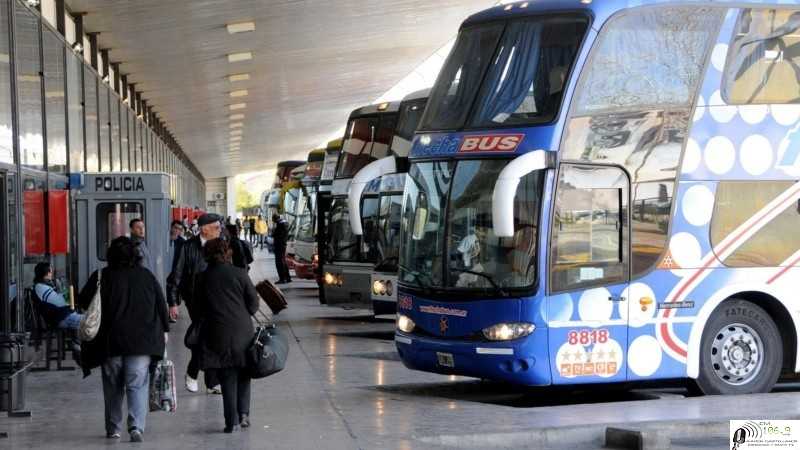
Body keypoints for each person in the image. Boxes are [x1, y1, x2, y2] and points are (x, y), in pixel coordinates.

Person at [77, 236, 169, 443]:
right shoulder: (146, 276)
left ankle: (113, 428)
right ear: (136, 255)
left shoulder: (101, 276)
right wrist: (164, 330)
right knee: (137, 384)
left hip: (111, 342)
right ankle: (136, 426)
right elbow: (161, 305)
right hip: (141, 342)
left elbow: (83, 301)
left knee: (113, 386)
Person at [195, 238, 260, 433]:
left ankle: (230, 421)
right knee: (244, 373)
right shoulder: (240, 274)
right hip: (242, 331)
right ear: (227, 253)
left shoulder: (202, 278)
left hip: (217, 332)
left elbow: (197, 308)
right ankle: (244, 414)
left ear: (207, 255)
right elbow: (253, 305)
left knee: (227, 376)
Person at [167, 213, 222, 394]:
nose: (219, 230)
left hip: (218, 298)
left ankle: (209, 381)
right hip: (195, 299)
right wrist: (173, 302)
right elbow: (176, 275)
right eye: (216, 227)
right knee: (205, 335)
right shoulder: (187, 247)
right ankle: (196, 374)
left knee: (211, 337)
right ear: (204, 229)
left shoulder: (222, 243)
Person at [33, 262, 83, 331]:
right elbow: (62, 303)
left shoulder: (43, 285)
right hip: (60, 317)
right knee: (90, 322)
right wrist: (63, 290)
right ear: (46, 273)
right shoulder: (41, 287)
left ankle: (76, 341)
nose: (52, 273)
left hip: (62, 314)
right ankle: (76, 341)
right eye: (50, 271)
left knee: (90, 319)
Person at [166, 220, 186, 323]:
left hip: (175, 270)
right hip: (165, 269)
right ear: (171, 227)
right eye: (175, 228)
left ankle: (171, 313)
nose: (177, 230)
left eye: (179, 229)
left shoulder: (182, 242)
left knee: (173, 291)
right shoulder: (164, 239)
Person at [272, 213, 291, 284]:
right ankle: (288, 277)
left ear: (274, 219)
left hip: (279, 245)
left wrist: (273, 231)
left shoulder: (279, 225)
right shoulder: (285, 223)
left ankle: (282, 279)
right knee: (283, 261)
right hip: (283, 245)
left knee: (279, 262)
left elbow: (275, 235)